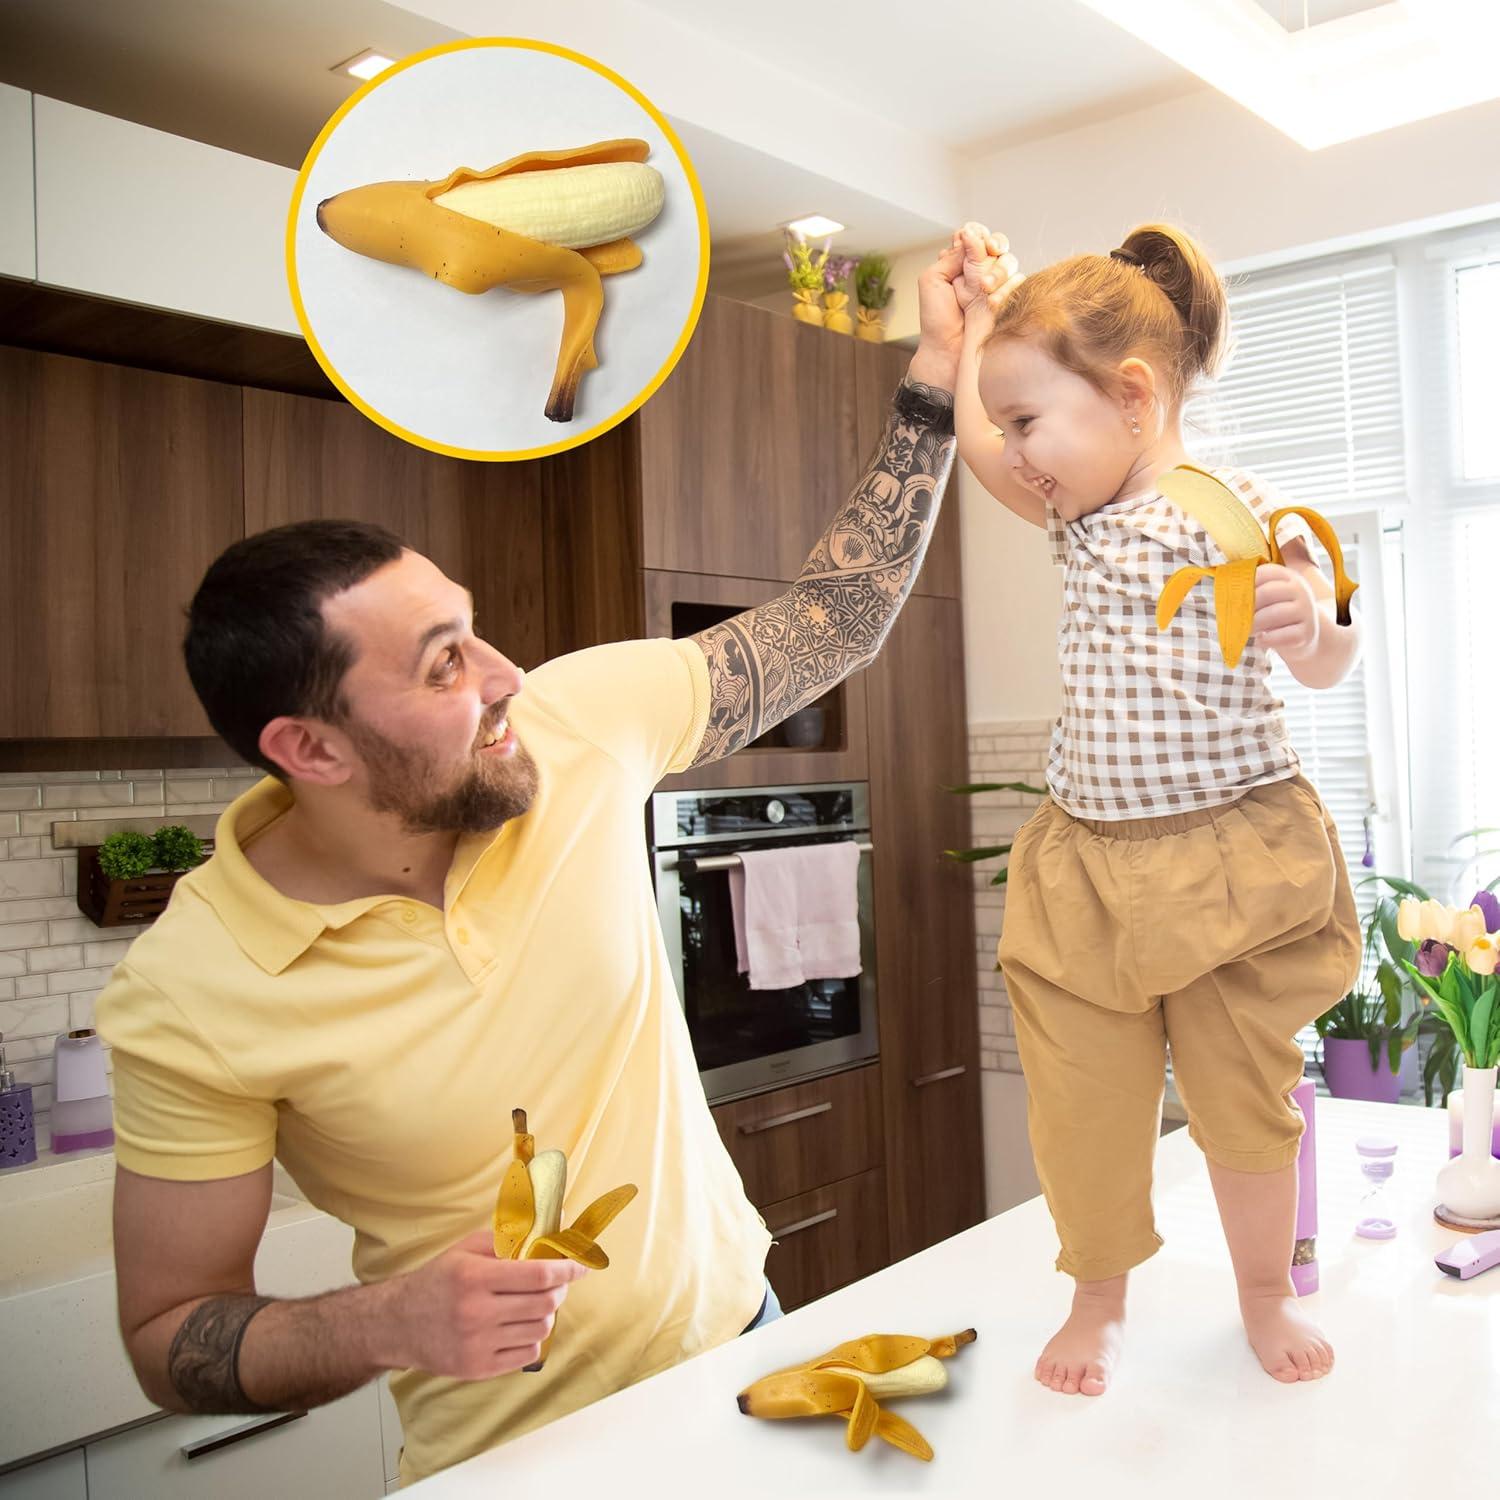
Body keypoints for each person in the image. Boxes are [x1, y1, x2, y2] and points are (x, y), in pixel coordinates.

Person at [94, 251, 971, 1485]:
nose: (506, 676)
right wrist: (385, 1322)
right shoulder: (191, 991)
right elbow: (166, 1335)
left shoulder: (573, 726)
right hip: (512, 1468)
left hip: (751, 1365)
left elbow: (837, 619)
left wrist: (934, 381)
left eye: (473, 630)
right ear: (311, 749)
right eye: (443, 665)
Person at [949, 220, 1362, 1397]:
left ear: (1133, 397)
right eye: (1012, 422)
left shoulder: (1235, 506)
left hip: (1233, 863)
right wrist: (977, 317)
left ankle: (1265, 1294)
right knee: (1084, 1105)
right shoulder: (1071, 514)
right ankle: (1100, 1300)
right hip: (1088, 865)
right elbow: (975, 442)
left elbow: (1332, 653)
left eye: (1031, 422)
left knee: (1243, 1100)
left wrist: (1309, 625)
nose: (1016, 451)